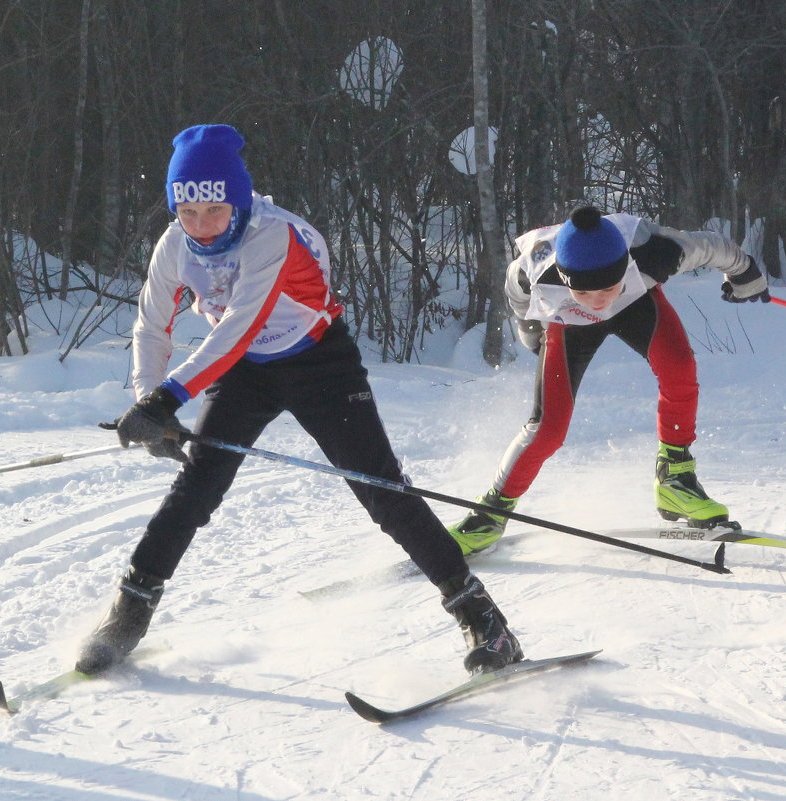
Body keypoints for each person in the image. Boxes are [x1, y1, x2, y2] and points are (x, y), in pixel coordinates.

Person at [77, 124, 522, 676]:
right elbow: (151, 326)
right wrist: (149, 401)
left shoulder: (272, 236)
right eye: (186, 213)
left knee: (382, 491)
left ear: (237, 202)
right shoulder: (175, 245)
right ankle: (130, 612)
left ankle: (483, 619)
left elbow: (237, 326)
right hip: (245, 373)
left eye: (212, 211)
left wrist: (168, 398)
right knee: (197, 486)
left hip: (318, 363)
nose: (200, 226)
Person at [448, 205, 770, 555]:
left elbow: (713, 247)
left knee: (679, 369)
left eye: (607, 288)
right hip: (567, 323)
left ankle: (675, 479)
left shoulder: (651, 251)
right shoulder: (535, 267)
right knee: (548, 428)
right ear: (565, 277)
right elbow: (518, 298)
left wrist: (745, 275)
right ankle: (488, 515)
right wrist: (530, 332)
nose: (599, 302)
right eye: (585, 292)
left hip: (636, 304)